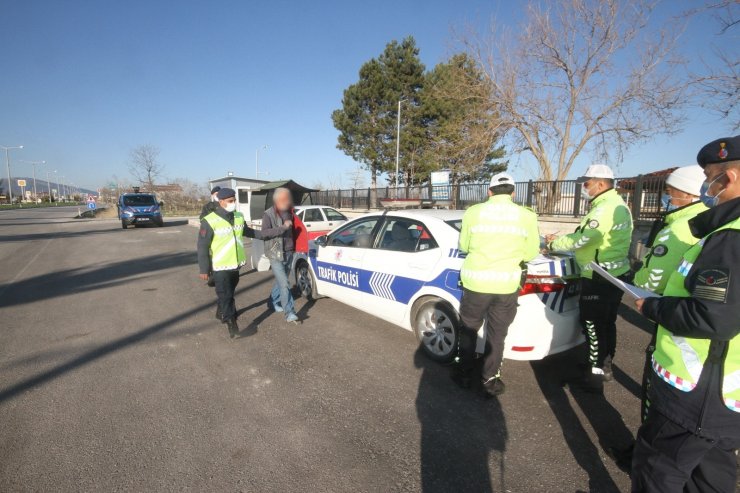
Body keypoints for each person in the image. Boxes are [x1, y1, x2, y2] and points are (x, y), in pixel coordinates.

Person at [631, 135, 740, 492]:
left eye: (711, 175)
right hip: (725, 395)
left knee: (656, 473)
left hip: (697, 394)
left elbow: (712, 318)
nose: (708, 185)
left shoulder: (729, 238)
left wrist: (652, 306)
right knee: (711, 477)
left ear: (730, 177)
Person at [546, 164, 633, 393]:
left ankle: (593, 377)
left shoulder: (604, 209)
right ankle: (604, 366)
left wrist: (554, 244)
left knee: (592, 325)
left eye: (586, 183)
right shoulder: (614, 204)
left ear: (601, 184)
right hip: (613, 273)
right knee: (606, 323)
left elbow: (585, 239)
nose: (583, 188)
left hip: (599, 275)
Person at [453, 172, 540, 396]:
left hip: (476, 283)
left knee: (469, 329)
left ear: (489, 192)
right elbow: (530, 253)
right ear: (513, 193)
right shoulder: (527, 216)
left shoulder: (473, 212)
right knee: (497, 335)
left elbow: (463, 246)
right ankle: (489, 380)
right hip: (506, 286)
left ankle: (463, 374)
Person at [633, 165, 707, 420]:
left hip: (669, 311)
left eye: (671, 192)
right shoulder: (706, 219)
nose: (667, 197)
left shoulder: (677, 228)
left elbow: (654, 279)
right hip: (693, 314)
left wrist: (637, 280)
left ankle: (646, 442)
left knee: (656, 381)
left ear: (687, 194)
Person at [196, 188, 287, 338]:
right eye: (230, 201)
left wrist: (277, 231)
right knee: (226, 296)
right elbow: (202, 246)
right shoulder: (209, 220)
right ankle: (232, 324)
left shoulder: (238, 216)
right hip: (220, 266)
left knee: (228, 293)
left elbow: (253, 233)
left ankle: (221, 311)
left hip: (236, 265)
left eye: (234, 200)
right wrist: (204, 269)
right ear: (221, 202)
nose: (234, 203)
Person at [262, 188, 308, 324]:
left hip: (289, 252)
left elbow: (297, 230)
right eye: (284, 199)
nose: (287, 201)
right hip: (275, 253)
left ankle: (272, 302)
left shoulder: (291, 212)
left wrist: (298, 247)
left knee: (281, 282)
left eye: (288, 198)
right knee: (285, 284)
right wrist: (282, 227)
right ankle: (290, 312)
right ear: (277, 200)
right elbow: (265, 234)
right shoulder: (268, 214)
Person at [199, 186, 222, 287]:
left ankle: (217, 275)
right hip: (210, 234)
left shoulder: (224, 204)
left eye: (219, 194)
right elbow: (202, 218)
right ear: (212, 195)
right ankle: (211, 275)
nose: (217, 196)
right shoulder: (208, 206)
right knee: (211, 256)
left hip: (222, 236)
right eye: (216, 194)